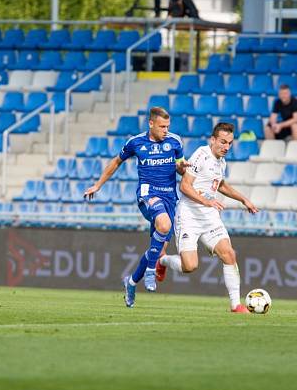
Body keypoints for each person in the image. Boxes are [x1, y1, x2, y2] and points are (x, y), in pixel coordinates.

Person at [84, 106, 189, 307]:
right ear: (151, 124)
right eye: (161, 126)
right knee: (164, 225)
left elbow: (180, 168)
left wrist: (182, 168)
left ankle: (131, 283)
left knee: (157, 251)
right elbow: (116, 162)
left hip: (169, 197)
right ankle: (150, 271)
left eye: (167, 126)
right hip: (147, 194)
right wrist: (98, 185)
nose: (165, 130)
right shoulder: (135, 142)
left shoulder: (175, 142)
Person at [156, 122, 259, 313]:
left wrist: (244, 199)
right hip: (189, 215)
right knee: (190, 266)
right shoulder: (201, 155)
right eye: (222, 142)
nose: (226, 147)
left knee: (229, 253)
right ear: (213, 140)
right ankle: (161, 261)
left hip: (209, 216)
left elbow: (221, 185)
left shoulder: (221, 161)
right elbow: (185, 186)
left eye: (229, 143)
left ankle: (236, 305)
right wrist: (206, 201)